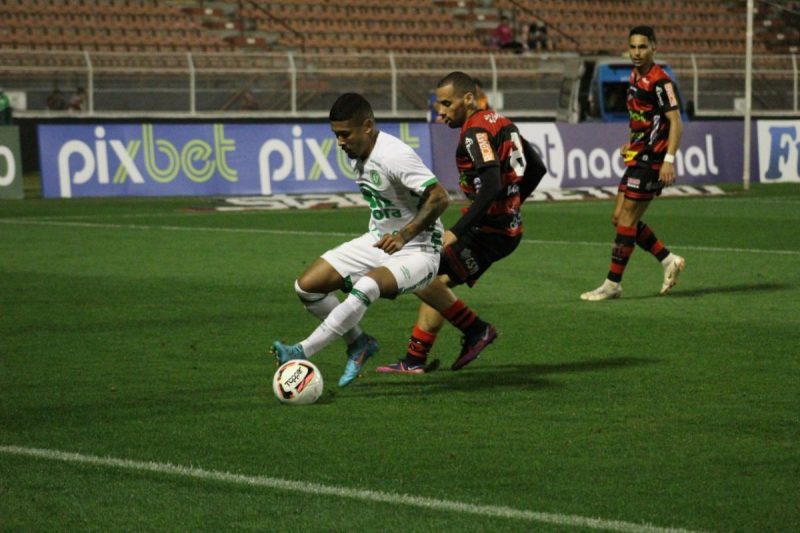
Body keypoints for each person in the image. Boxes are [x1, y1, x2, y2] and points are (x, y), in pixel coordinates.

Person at [271, 93, 450, 387]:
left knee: (367, 285)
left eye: (345, 134)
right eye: (336, 135)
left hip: (419, 250)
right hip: (379, 241)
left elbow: (439, 197)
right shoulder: (360, 152)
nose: (340, 142)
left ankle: (301, 351)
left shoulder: (393, 154)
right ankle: (359, 343)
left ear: (367, 126)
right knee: (307, 287)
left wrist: (404, 235)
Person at [376, 71, 547, 373]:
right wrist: (514, 202)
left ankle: (476, 330)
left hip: (488, 232)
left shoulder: (475, 134)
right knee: (432, 281)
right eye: (438, 104)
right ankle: (415, 359)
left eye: (446, 103)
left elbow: (492, 184)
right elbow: (537, 167)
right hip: (501, 228)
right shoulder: (501, 122)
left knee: (420, 273)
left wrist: (457, 231)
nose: (440, 112)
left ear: (468, 99)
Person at [580, 26, 685, 302]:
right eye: (633, 48)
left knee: (627, 220)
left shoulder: (661, 82)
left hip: (652, 160)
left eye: (642, 47)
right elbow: (641, 118)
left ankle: (612, 284)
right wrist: (631, 144)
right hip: (638, 155)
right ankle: (667, 259)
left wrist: (668, 160)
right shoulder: (634, 77)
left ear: (654, 47)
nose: (637, 53)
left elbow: (676, 123)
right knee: (619, 218)